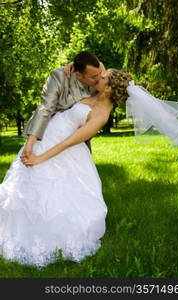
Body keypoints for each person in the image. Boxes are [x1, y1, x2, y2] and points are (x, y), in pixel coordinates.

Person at [0, 69, 131, 267]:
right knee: (23, 185)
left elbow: (68, 143)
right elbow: (96, 68)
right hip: (48, 134)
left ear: (108, 88)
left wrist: (40, 158)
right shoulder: (95, 91)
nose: (99, 75)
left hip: (60, 148)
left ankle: (46, 235)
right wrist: (73, 65)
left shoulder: (101, 115)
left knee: (50, 189)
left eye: (103, 77)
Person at [22, 50, 105, 161]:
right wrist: (30, 142)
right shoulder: (58, 77)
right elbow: (45, 108)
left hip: (79, 140)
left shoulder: (100, 81)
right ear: (79, 75)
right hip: (51, 136)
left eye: (100, 74)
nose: (100, 78)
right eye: (94, 76)